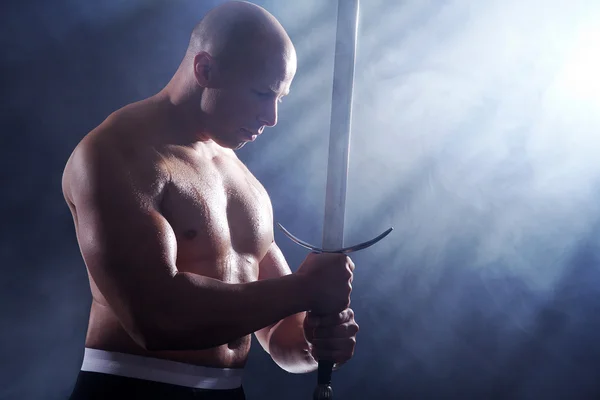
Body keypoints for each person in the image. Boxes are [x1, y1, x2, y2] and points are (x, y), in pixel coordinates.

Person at [62, 1, 359, 399]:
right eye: (260, 93)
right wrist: (306, 290)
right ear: (205, 69)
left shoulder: (244, 183)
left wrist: (316, 343)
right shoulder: (115, 152)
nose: (271, 117)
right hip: (132, 388)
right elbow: (155, 318)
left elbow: (281, 337)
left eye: (280, 98)